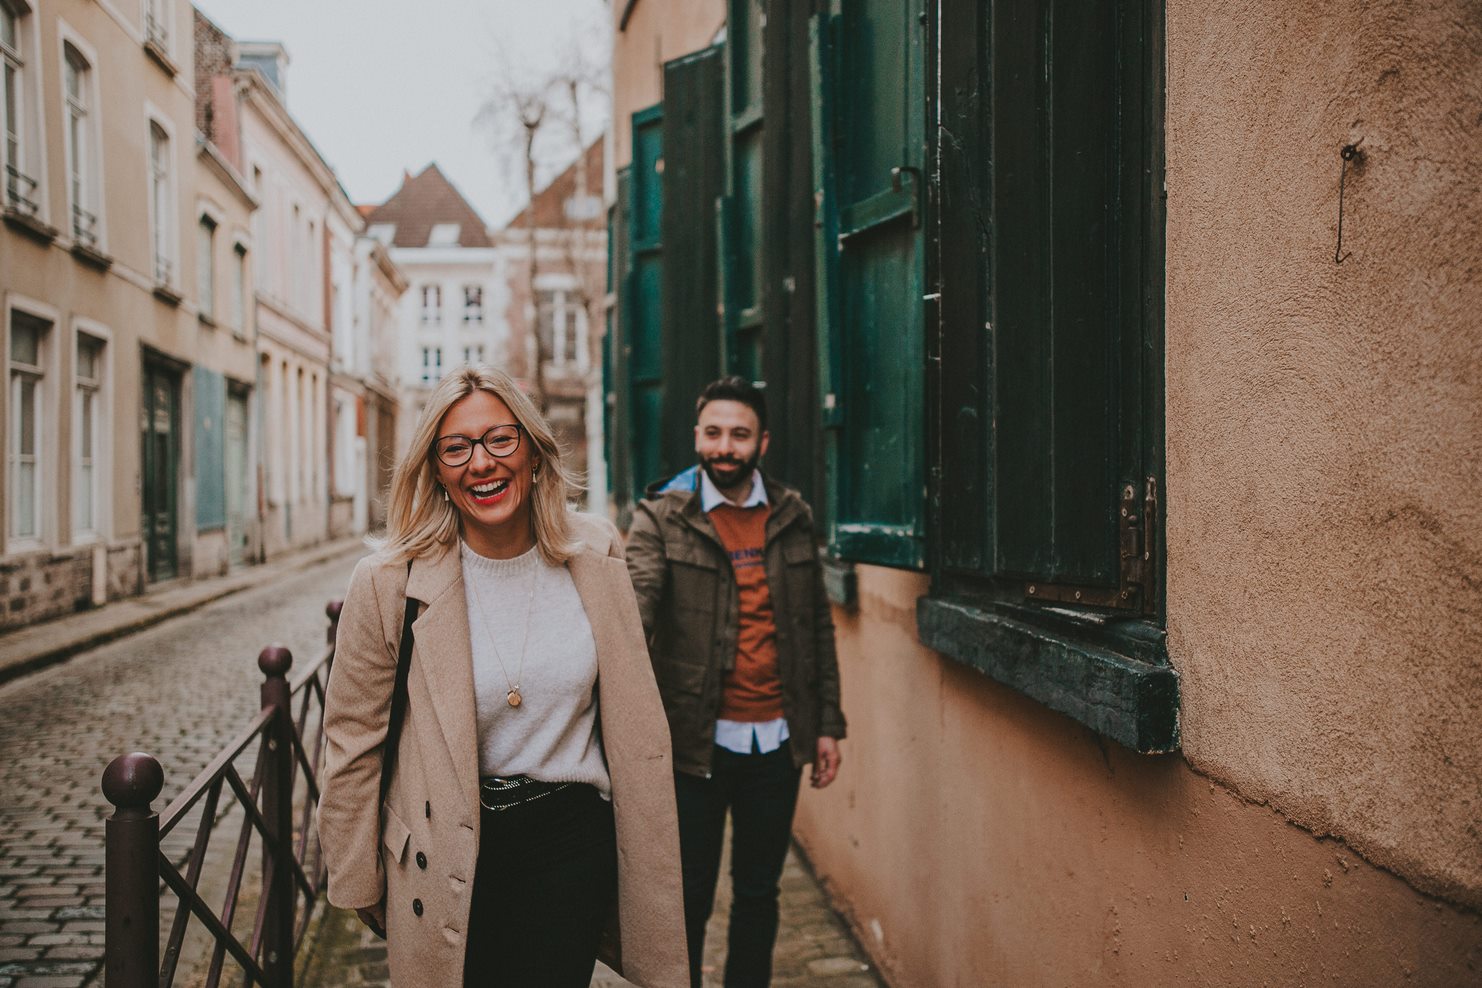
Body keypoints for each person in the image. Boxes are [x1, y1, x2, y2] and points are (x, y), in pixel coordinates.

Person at [318, 365, 687, 988]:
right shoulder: (389, 582)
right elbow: (352, 740)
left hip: (573, 849)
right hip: (448, 849)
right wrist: (358, 877)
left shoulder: (594, 554)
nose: (481, 463)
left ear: (534, 452)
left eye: (499, 439)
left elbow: (632, 716)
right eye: (456, 448)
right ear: (436, 470)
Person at [625, 375, 846, 988]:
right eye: (714, 433)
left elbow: (816, 628)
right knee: (687, 898)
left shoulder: (792, 516)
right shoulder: (660, 517)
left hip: (777, 743)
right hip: (693, 745)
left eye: (739, 435)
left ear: (762, 442)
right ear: (697, 435)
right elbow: (635, 610)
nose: (725, 447)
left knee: (758, 892)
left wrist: (827, 724)